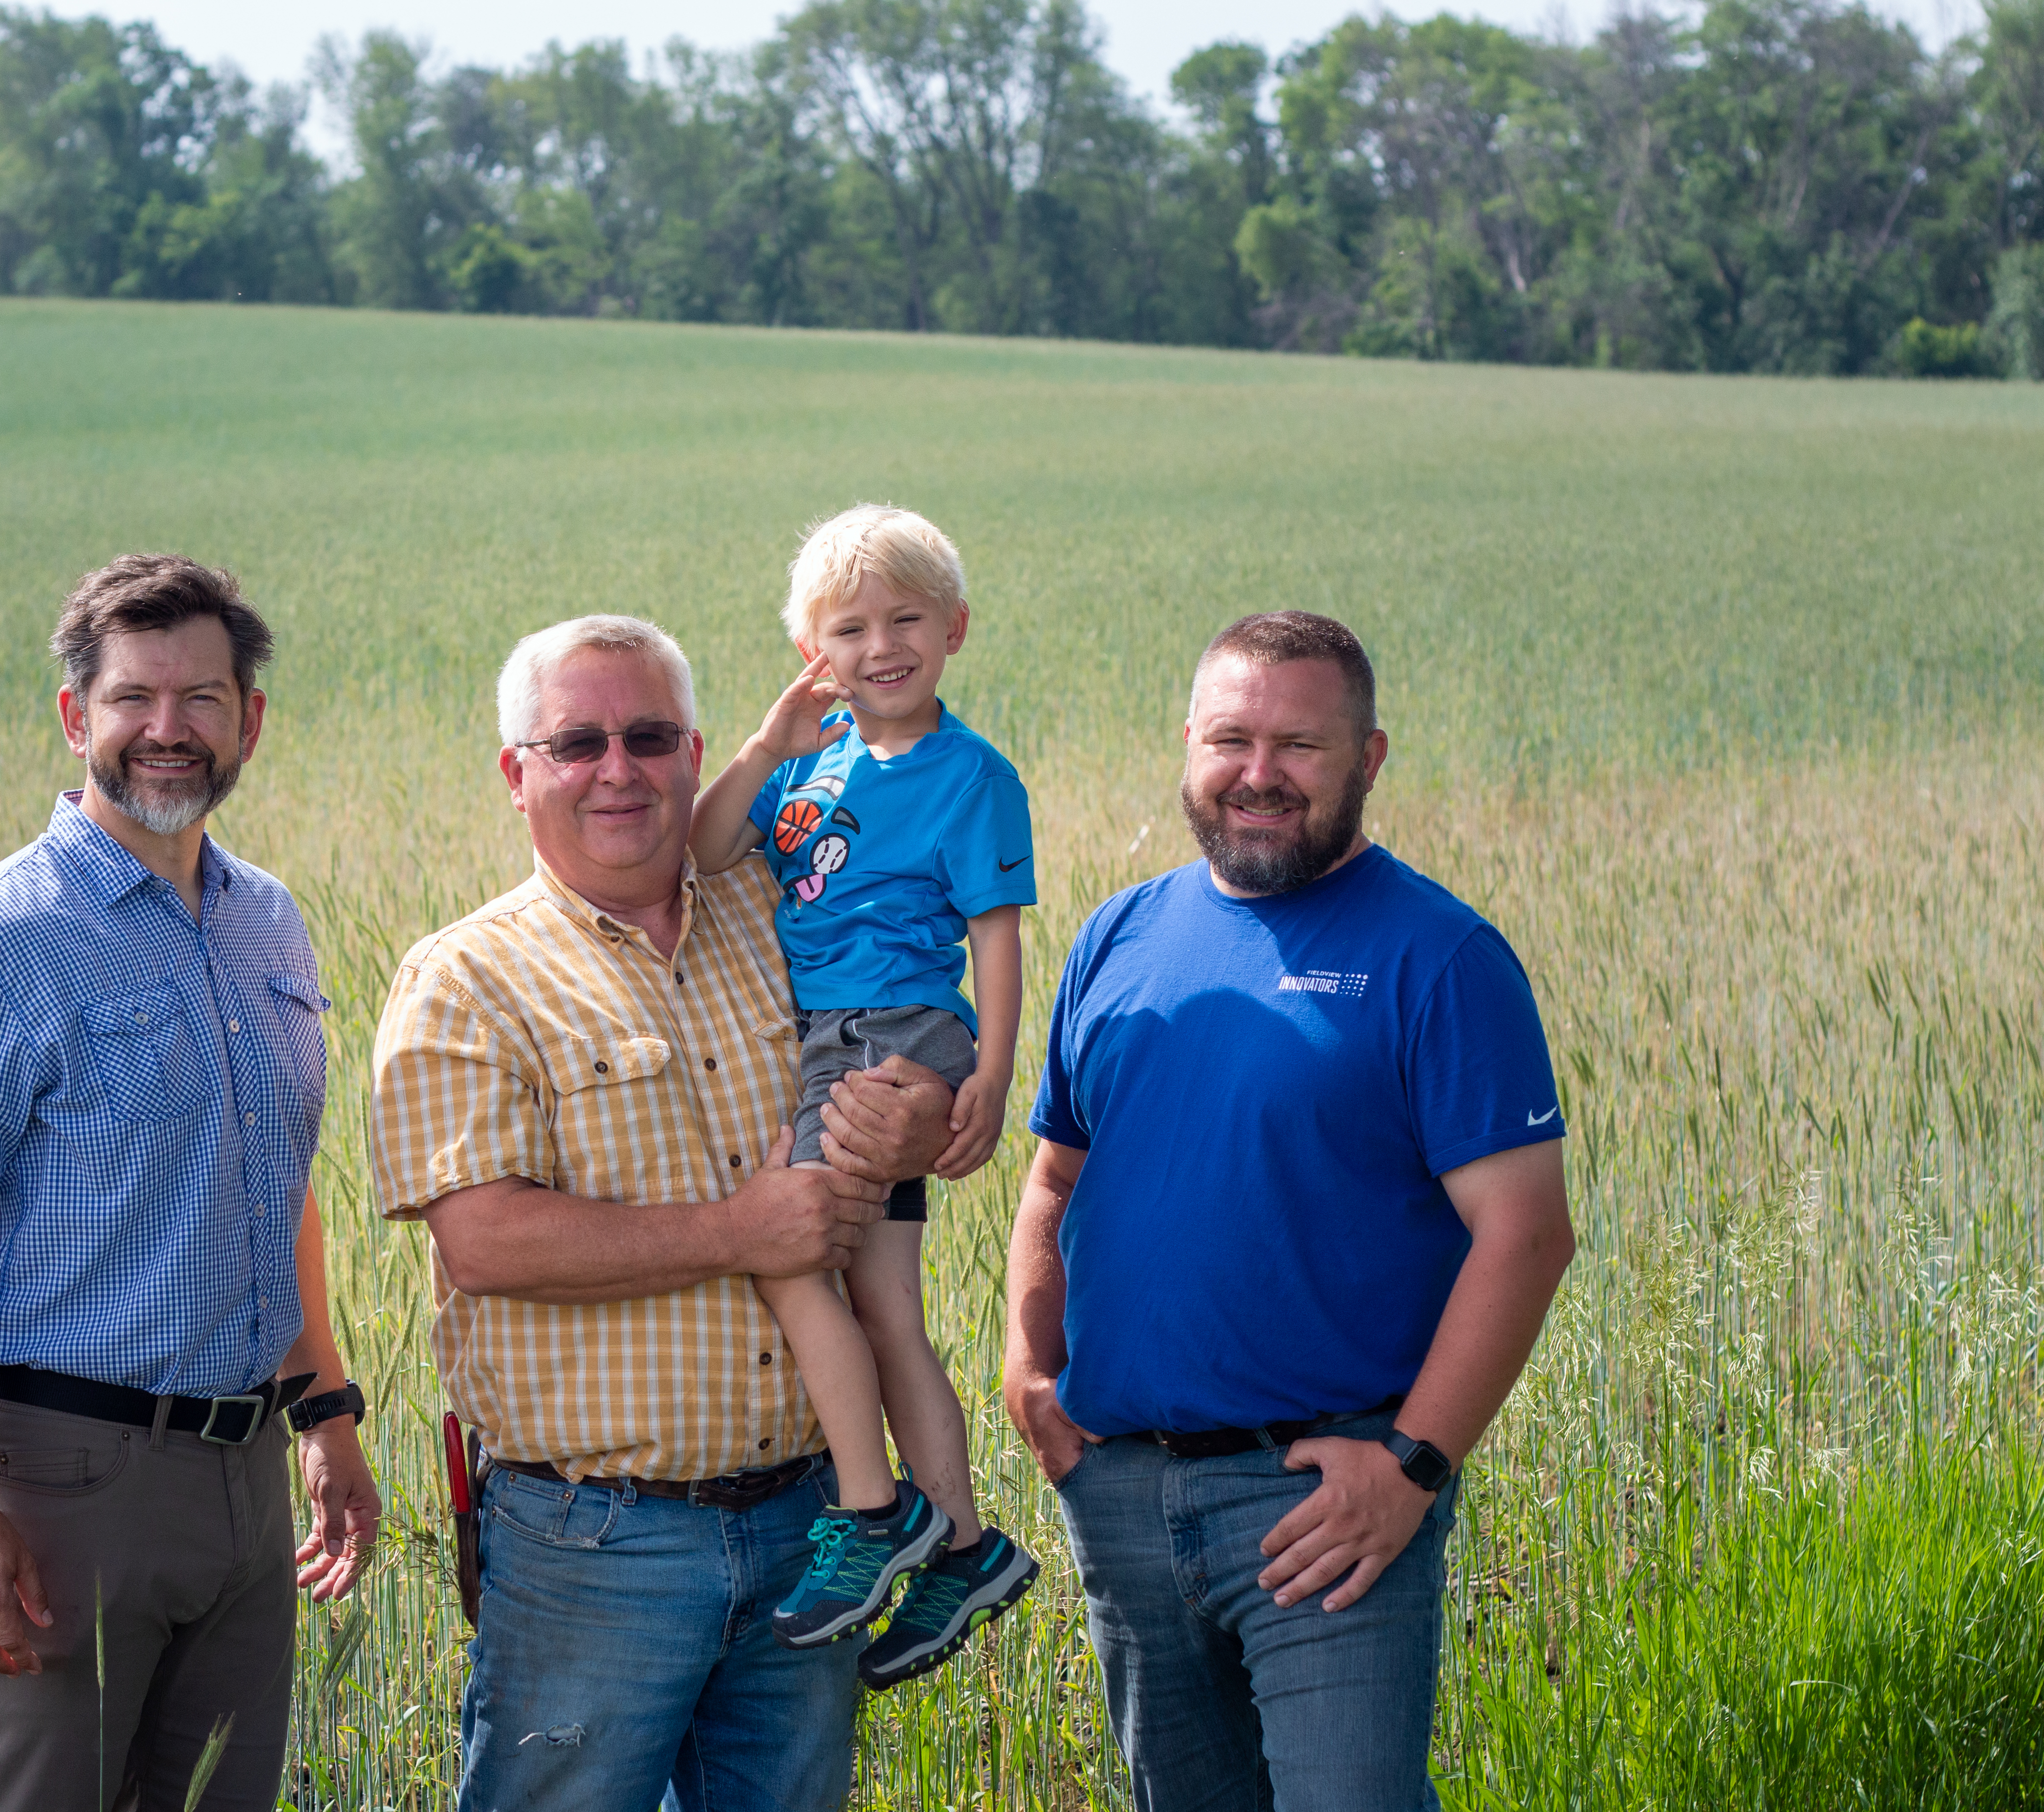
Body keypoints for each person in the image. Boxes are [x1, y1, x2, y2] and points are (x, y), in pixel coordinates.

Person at [368, 613, 961, 1812]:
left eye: (647, 736)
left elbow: (908, 1017)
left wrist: (926, 1105)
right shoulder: (466, 977)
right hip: (594, 1547)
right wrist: (738, 1233)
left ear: (697, 754)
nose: (616, 770)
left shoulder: (782, 911)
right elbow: (483, 1240)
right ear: (517, 774)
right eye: (576, 743)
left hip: (812, 1524)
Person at [1002, 610, 1575, 1811]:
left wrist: (1413, 1465)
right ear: (1189, 747)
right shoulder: (1119, 936)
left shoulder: (1440, 956)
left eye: (1300, 748)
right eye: (1231, 740)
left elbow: (1525, 1234)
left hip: (1325, 1502)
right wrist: (1027, 1373)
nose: (1258, 775)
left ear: (1367, 760)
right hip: (1123, 1494)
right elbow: (1056, 1180)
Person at [0, 554, 383, 1812]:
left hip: (247, 1478)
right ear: (75, 718)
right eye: (134, 700)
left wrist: (325, 1412)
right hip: (64, 1489)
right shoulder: (0, 943)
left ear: (248, 722)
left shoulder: (269, 919)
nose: (169, 730)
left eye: (203, 700)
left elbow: (279, 1184)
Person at [688, 505, 1040, 1688]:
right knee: (885, 1300)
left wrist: (988, 1074)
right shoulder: (809, 762)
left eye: (906, 622)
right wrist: (769, 737)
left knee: (791, 1256)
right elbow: (704, 845)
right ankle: (968, 1548)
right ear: (812, 650)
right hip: (826, 1038)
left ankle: (873, 1513)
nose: (882, 647)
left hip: (891, 1037)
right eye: (850, 629)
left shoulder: (973, 776)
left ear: (955, 629)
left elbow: (996, 934)